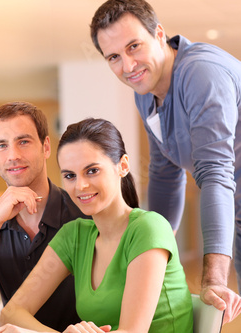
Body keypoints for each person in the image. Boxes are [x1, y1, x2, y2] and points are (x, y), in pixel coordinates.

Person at [89, 0, 241, 323]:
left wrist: (213, 279)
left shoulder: (200, 74)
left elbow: (215, 173)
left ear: (159, 34)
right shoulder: (145, 92)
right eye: (114, 57)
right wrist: (152, 248)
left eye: (134, 47)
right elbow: (164, 170)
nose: (128, 66)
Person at [0, 118, 193, 333]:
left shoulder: (148, 228)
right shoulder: (74, 236)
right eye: (70, 175)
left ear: (122, 166)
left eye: (92, 170)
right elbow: (11, 312)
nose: (80, 186)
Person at [0, 102, 86, 331]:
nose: (13, 155)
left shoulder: (82, 212)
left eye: (23, 142)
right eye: (1, 146)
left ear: (45, 147)